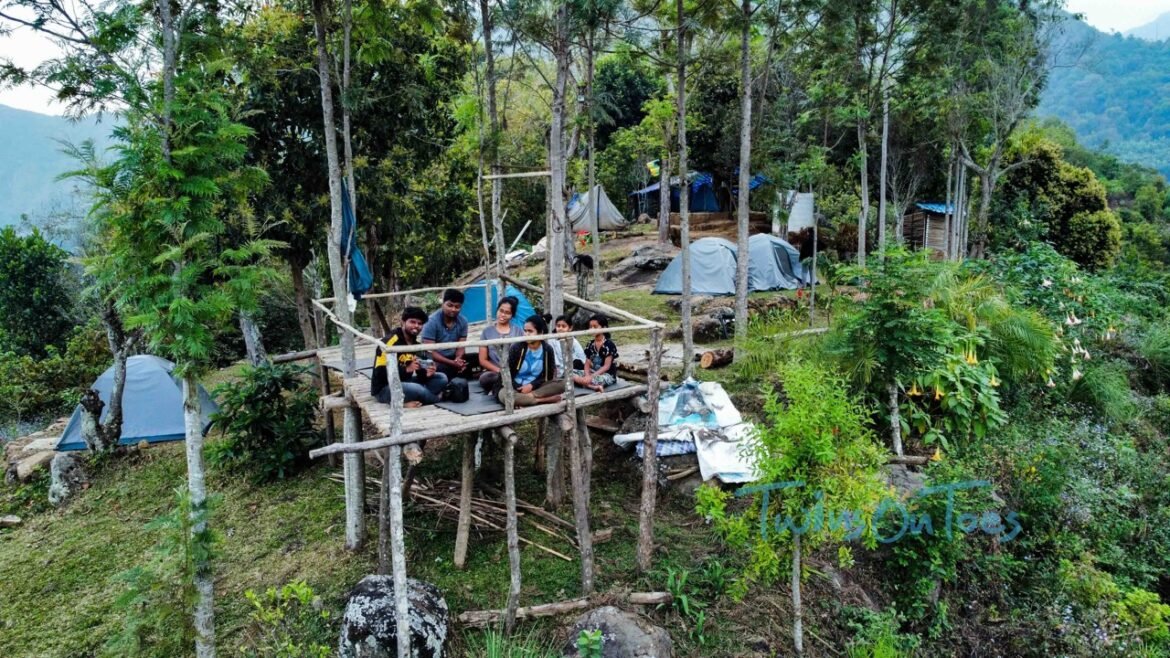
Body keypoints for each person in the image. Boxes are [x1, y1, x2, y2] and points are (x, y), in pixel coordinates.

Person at [372, 307, 448, 407]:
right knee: (416, 388)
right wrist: (406, 369)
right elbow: (379, 373)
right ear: (403, 322)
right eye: (412, 322)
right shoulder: (389, 342)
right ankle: (438, 399)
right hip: (385, 388)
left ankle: (413, 399)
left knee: (441, 378)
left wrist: (427, 372)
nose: (416, 326)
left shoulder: (416, 345)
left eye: (420, 323)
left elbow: (421, 375)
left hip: (406, 382)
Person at [498, 314, 564, 407]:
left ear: (540, 333)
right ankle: (542, 400)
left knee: (563, 384)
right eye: (525, 331)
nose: (526, 334)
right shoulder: (517, 347)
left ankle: (528, 398)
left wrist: (532, 386)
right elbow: (506, 373)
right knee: (504, 395)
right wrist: (518, 388)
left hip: (536, 388)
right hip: (515, 388)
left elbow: (548, 377)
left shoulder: (547, 349)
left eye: (530, 331)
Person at [421, 288, 470, 378]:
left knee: (472, 362)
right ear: (443, 304)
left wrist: (458, 359)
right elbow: (429, 351)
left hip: (452, 357)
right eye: (450, 305)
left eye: (457, 307)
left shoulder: (463, 321)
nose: (453, 309)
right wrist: (452, 363)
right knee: (445, 370)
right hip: (434, 359)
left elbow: (461, 346)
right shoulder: (431, 322)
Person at [479, 296, 522, 391]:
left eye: (507, 313)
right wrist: (500, 371)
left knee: (519, 377)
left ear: (512, 315)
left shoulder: (518, 332)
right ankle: (512, 388)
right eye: (501, 311)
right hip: (495, 372)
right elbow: (482, 360)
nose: (502, 315)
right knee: (485, 378)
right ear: (497, 310)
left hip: (514, 372)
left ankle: (504, 389)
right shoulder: (487, 332)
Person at [580, 313, 618, 392]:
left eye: (595, 327)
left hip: (607, 375)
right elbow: (587, 363)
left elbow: (606, 366)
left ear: (604, 328)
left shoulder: (609, 345)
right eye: (590, 327)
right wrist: (587, 375)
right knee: (569, 374)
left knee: (589, 380)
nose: (592, 329)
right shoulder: (590, 344)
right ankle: (594, 387)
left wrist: (591, 376)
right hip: (593, 372)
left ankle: (584, 383)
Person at [549, 314, 586, 380]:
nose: (560, 328)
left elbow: (582, 357)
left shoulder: (573, 340)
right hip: (560, 370)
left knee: (576, 368)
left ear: (570, 328)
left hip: (573, 368)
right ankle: (591, 385)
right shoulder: (552, 341)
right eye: (558, 326)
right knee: (572, 376)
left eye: (563, 326)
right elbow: (555, 360)